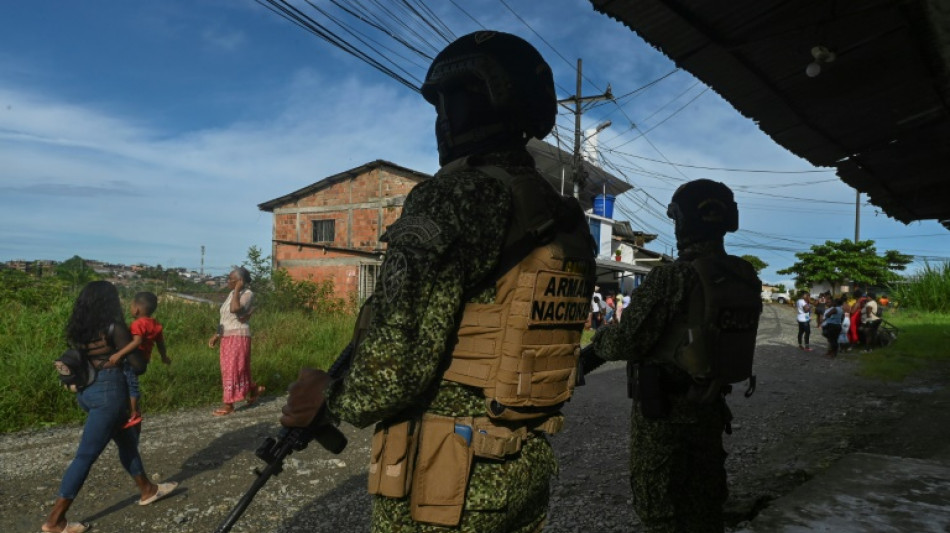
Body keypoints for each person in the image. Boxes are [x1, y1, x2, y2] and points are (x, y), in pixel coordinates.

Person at [280, 30, 596, 532]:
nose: (443, 118)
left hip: (445, 481)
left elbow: (396, 363)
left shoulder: (454, 197)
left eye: (452, 101)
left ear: (488, 101)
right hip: (522, 463)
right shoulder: (565, 218)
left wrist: (328, 396)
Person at [588, 179, 761, 533]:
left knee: (663, 510)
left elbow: (627, 341)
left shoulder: (673, 276)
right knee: (705, 500)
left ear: (682, 221)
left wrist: (592, 350)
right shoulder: (743, 274)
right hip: (710, 407)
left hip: (664, 415)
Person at [42, 281, 177, 533]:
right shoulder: (115, 328)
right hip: (110, 394)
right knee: (85, 456)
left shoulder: (81, 331)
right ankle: (55, 521)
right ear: (110, 302)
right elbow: (137, 366)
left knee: (126, 442)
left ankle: (147, 490)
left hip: (87, 392)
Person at [207, 267, 264, 416]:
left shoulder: (247, 294)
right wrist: (217, 335)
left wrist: (238, 290)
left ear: (240, 281)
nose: (228, 282)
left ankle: (228, 405)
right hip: (227, 337)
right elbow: (225, 318)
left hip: (239, 336)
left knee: (232, 369)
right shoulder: (231, 294)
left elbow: (234, 310)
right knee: (237, 368)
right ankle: (254, 389)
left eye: (231, 279)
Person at [109, 291, 170, 428]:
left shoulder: (138, 324)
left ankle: (133, 413)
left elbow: (136, 342)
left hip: (133, 360)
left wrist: (119, 354)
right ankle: (130, 410)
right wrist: (164, 357)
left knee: (132, 385)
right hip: (144, 360)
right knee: (130, 382)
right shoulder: (155, 324)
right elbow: (161, 344)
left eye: (131, 306)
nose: (130, 309)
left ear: (136, 309)